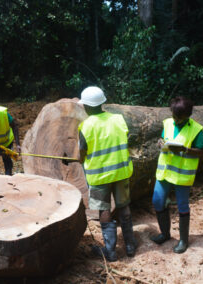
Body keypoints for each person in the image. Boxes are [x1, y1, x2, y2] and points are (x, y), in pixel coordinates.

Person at [77, 86, 136, 262]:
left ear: (86, 106)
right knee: (124, 206)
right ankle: (130, 245)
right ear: (103, 103)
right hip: (121, 172)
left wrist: (79, 159)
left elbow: (81, 154)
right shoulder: (118, 119)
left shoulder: (85, 126)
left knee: (104, 209)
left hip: (99, 176)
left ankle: (110, 251)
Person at [150, 96, 203, 254]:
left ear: (187, 115)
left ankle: (183, 241)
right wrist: (160, 143)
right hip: (165, 170)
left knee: (182, 206)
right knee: (158, 200)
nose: (175, 119)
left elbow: (201, 151)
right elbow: (162, 138)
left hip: (182, 175)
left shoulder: (196, 129)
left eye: (179, 118)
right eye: (174, 115)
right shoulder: (167, 123)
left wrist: (185, 150)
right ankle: (165, 234)